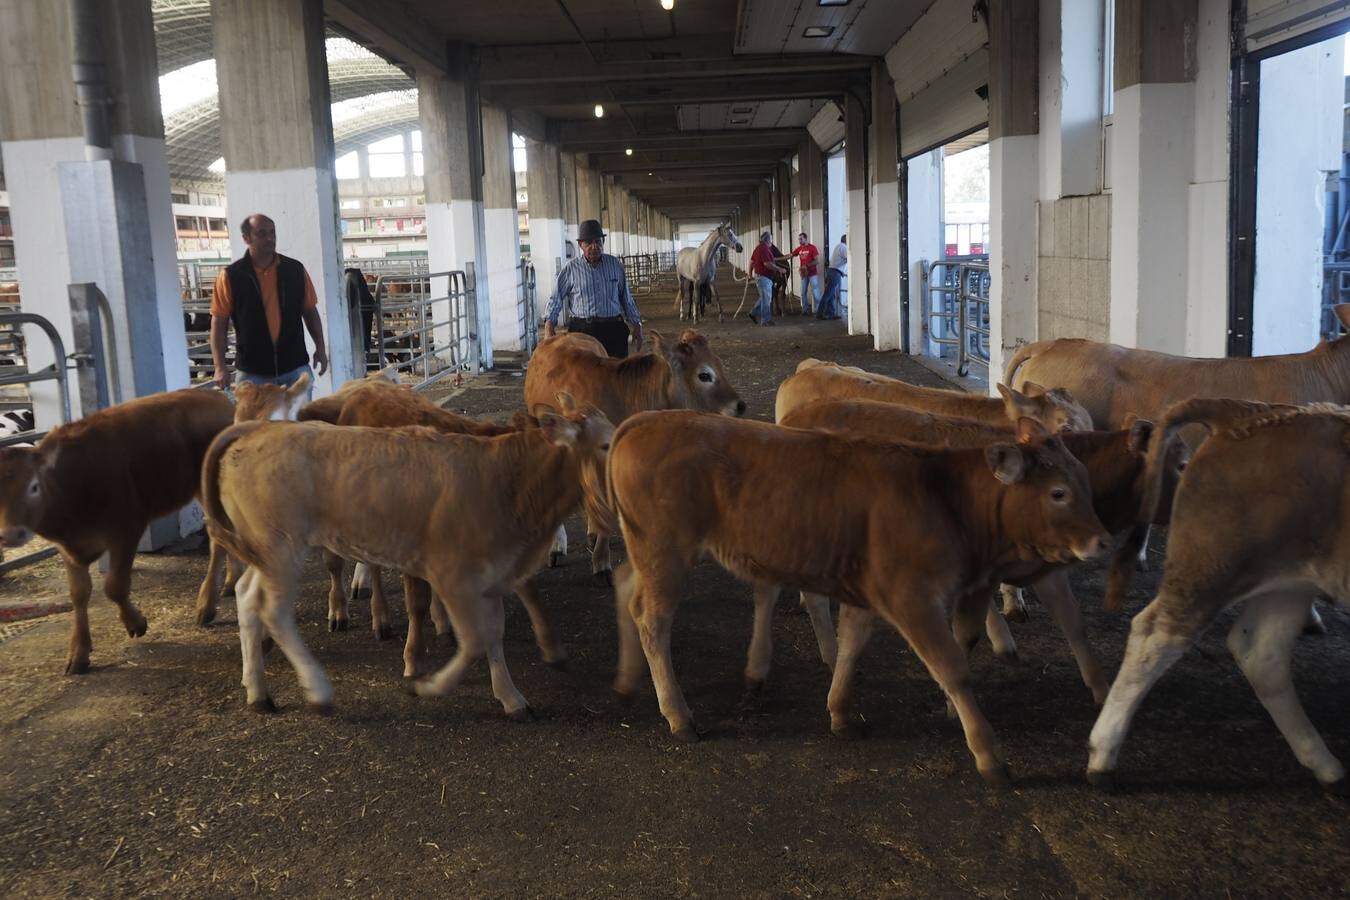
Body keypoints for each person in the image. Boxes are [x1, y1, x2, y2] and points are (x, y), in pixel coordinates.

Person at [211, 213, 329, 393]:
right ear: (246, 238)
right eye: (262, 233)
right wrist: (219, 366)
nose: (270, 238)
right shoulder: (231, 277)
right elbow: (219, 323)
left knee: (299, 421)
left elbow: (310, 311)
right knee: (254, 422)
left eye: (272, 233)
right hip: (252, 373)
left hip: (295, 367)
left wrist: (320, 347)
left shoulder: (295, 270)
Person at [543, 219, 642, 357]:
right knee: (583, 376)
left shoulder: (615, 265)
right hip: (583, 333)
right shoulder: (571, 269)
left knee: (615, 374)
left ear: (603, 242)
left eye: (598, 241)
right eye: (589, 243)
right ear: (580, 245)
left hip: (613, 330)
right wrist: (549, 326)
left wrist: (637, 325)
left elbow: (626, 298)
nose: (594, 246)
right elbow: (556, 299)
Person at [749, 231, 785, 326]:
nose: (772, 241)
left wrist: (750, 274)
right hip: (764, 277)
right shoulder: (764, 249)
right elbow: (767, 264)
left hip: (761, 277)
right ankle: (765, 320)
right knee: (766, 300)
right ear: (768, 240)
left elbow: (752, 262)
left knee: (764, 298)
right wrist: (779, 269)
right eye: (771, 239)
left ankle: (753, 313)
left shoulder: (758, 248)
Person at [782, 232, 820, 317]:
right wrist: (778, 258)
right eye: (799, 239)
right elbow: (790, 255)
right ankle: (805, 310)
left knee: (816, 292)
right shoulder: (799, 249)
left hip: (812, 274)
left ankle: (818, 310)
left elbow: (817, 261)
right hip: (803, 274)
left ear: (806, 239)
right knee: (803, 293)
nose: (799, 240)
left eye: (801, 239)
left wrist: (807, 265)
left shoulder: (812, 248)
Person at [344, 266, 377, 357]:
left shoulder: (348, 280)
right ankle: (365, 348)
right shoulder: (357, 281)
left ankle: (365, 348)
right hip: (363, 313)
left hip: (357, 315)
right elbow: (371, 302)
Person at [817, 234, 847, 321]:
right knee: (828, 294)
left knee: (831, 294)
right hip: (835, 272)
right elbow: (849, 257)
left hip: (832, 271)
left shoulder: (838, 246)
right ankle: (820, 314)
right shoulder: (843, 247)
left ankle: (831, 313)